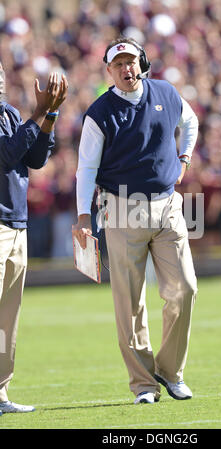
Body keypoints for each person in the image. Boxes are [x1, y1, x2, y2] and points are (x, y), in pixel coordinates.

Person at [72, 37, 198, 404]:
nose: (127, 69)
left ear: (142, 62)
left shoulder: (166, 92)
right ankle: (144, 384)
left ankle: (170, 371)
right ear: (109, 71)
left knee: (185, 288)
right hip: (121, 208)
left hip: (167, 206)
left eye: (131, 61)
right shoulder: (99, 112)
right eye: (119, 64)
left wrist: (185, 158)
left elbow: (189, 122)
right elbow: (86, 169)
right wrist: (83, 216)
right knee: (130, 303)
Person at [0, 61, 68, 414]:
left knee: (7, 319)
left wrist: (50, 116)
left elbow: (36, 158)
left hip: (17, 223)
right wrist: (39, 111)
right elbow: (7, 153)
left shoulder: (9, 113)